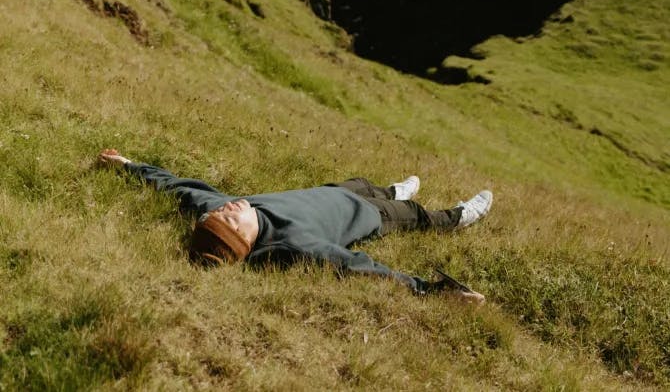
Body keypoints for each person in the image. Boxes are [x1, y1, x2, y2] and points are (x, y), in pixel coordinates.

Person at [98, 149, 492, 303]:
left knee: (367, 184)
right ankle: (459, 216)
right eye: (231, 217)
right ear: (243, 239)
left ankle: (394, 189)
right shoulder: (294, 244)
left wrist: (128, 166)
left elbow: (177, 187)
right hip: (368, 218)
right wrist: (431, 291)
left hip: (334, 191)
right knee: (420, 217)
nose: (231, 206)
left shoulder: (223, 209)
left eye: (221, 212)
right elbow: (359, 267)